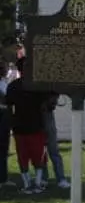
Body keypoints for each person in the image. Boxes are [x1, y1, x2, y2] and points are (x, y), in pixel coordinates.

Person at [4, 57, 55, 194]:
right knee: (38, 157)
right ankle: (37, 183)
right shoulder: (37, 85)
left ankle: (27, 184)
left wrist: (10, 124)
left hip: (19, 126)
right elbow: (47, 103)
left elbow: (9, 106)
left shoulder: (13, 86)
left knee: (23, 157)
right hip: (36, 126)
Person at [0, 61, 14, 188]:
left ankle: (3, 178)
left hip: (5, 119)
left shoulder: (4, 83)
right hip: (2, 118)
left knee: (4, 151)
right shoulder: (3, 85)